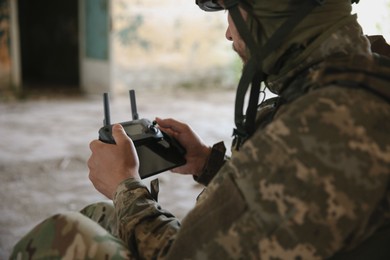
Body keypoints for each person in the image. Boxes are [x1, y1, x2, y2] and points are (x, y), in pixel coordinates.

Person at [11, 0, 390, 259]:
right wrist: (207, 163)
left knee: (62, 235)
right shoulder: (364, 79)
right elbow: (302, 202)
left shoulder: (321, 123)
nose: (228, 34)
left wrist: (125, 186)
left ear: (268, 18)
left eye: (232, 13)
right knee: (99, 216)